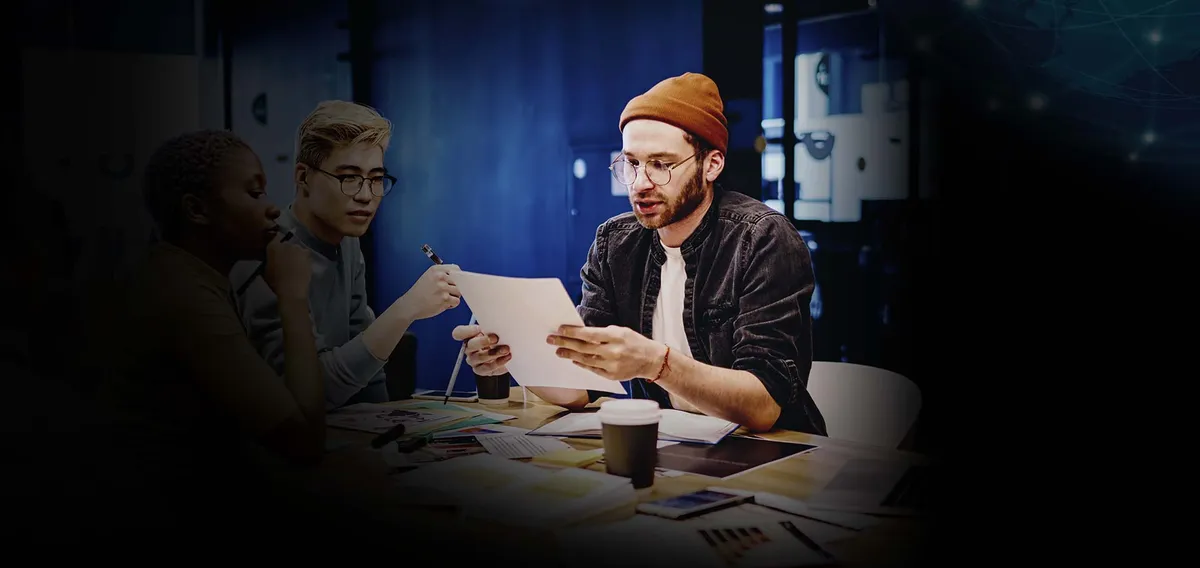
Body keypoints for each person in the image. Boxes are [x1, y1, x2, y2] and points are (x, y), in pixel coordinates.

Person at [453, 73, 826, 434]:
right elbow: (584, 386)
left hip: (771, 450)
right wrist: (515, 356)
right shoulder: (615, 243)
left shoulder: (761, 238)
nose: (640, 184)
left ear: (711, 164)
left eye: (661, 165)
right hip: (671, 447)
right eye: (631, 163)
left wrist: (656, 363)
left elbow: (764, 407)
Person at [94, 129, 328, 536]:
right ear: (197, 210)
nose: (272, 209)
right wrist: (292, 298)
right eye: (254, 194)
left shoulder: (179, 272)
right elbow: (303, 443)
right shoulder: (183, 294)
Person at [231, 101, 460, 410]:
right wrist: (407, 308)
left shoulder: (347, 242)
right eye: (348, 178)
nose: (365, 195)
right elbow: (310, 395)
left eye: (376, 179)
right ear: (303, 177)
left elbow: (369, 373)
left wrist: (389, 430)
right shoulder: (266, 254)